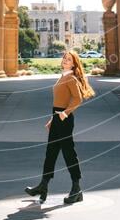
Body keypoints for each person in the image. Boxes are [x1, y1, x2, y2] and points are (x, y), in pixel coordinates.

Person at [25, 49, 95, 205]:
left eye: (69, 59)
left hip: (65, 119)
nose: (65, 60)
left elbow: (77, 99)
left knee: (68, 152)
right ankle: (43, 186)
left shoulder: (71, 78)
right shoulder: (62, 77)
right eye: (64, 58)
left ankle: (76, 189)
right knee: (51, 152)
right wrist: (53, 118)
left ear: (74, 63)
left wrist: (65, 113)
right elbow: (59, 101)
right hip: (57, 117)